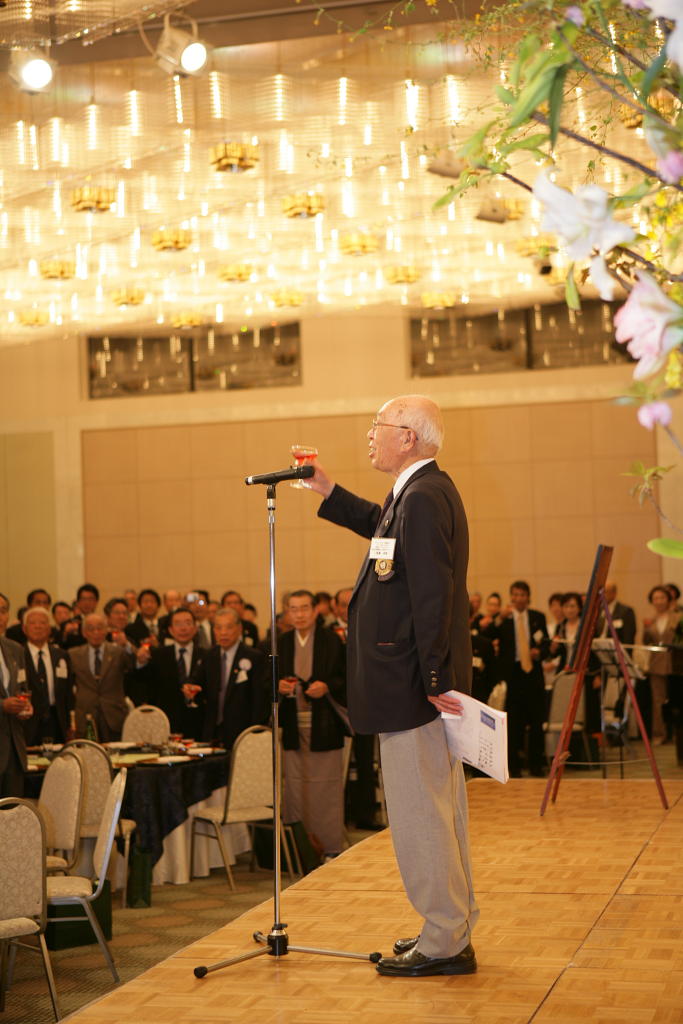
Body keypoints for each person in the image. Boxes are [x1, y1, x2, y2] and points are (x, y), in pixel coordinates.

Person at [307, 393, 478, 978]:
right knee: (437, 811)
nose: (370, 435)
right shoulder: (417, 491)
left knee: (421, 817)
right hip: (415, 685)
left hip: (412, 689)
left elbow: (433, 593)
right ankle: (450, 928)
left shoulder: (423, 496)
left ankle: (444, 939)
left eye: (377, 426)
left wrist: (433, 679)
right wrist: (328, 490)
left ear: (407, 436)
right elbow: (381, 531)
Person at [278, 589, 347, 859]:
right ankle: (300, 850)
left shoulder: (331, 640)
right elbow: (266, 679)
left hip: (324, 725)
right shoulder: (281, 642)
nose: (299, 614)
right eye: (293, 609)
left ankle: (330, 848)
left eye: (304, 608)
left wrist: (327, 686)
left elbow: (346, 677)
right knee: (294, 788)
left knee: (325, 787)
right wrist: (280, 686)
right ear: (287, 613)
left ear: (316, 610)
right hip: (293, 726)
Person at [194, 607, 269, 749]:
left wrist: (254, 732)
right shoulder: (208, 657)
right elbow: (200, 690)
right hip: (212, 731)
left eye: (228, 627)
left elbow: (259, 700)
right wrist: (191, 692)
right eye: (218, 628)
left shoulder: (254, 657)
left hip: (242, 731)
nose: (223, 632)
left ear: (239, 629)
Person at [495, 581, 549, 778]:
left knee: (536, 721)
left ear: (528, 597)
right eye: (515, 595)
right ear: (511, 597)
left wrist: (539, 652)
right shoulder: (505, 620)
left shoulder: (537, 617)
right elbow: (489, 636)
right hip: (513, 674)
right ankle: (514, 766)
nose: (518, 599)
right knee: (514, 723)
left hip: (533, 673)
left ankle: (536, 765)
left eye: (522, 595)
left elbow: (546, 643)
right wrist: (498, 619)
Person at [143, 606, 206, 737]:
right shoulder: (158, 655)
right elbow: (150, 689)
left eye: (188, 623)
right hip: (166, 723)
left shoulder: (206, 655)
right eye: (178, 624)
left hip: (199, 723)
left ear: (195, 628)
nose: (183, 628)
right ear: (170, 630)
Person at [69, 613, 130, 740]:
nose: (96, 632)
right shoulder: (73, 654)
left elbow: (134, 664)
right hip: (86, 715)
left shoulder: (118, 652)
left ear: (106, 630)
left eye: (100, 628)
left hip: (114, 715)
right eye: (91, 629)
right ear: (84, 633)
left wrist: (126, 645)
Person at [21, 607, 73, 745]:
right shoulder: (17, 655)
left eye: (43, 622)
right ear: (24, 629)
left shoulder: (61, 655)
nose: (38, 626)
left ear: (49, 629)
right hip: (27, 723)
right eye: (33, 623)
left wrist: (70, 723)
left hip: (57, 721)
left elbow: (68, 692)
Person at [0, 593, 33, 796]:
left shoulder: (15, 649)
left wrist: (25, 706)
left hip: (14, 749)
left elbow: (22, 688)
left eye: (3, 611)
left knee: (14, 809)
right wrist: (2, 705)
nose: (0, 616)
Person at [642, 586, 679, 744]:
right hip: (656, 664)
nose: (659, 601)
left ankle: (678, 734)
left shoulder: (678, 617)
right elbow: (646, 643)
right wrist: (646, 629)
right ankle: (659, 733)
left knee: (677, 699)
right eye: (655, 598)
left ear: (668, 599)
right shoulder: (650, 620)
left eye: (662, 597)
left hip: (677, 663)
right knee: (658, 701)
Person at [595, 581, 636, 646]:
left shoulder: (626, 611)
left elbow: (628, 636)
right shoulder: (598, 610)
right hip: (598, 647)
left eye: (606, 592)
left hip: (617, 648)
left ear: (614, 593)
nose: (603, 595)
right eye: (601, 593)